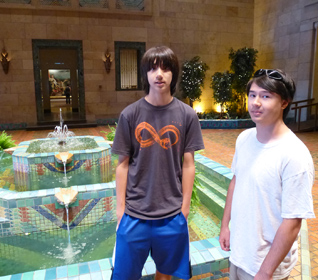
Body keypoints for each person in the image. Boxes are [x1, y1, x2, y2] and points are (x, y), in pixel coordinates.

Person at [110, 46, 204, 280]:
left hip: (171, 215)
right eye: (152, 69)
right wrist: (121, 209)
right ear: (146, 75)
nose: (159, 74)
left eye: (165, 68)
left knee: (166, 273)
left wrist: (184, 208)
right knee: (124, 275)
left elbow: (188, 164)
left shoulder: (187, 115)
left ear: (174, 74)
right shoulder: (130, 114)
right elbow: (122, 165)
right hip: (134, 214)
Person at [219, 69, 315, 280]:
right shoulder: (244, 139)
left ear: (284, 102)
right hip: (239, 252)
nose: (256, 102)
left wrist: (265, 272)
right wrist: (225, 225)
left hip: (266, 265)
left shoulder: (294, 155)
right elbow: (236, 182)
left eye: (265, 96)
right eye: (252, 95)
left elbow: (293, 222)